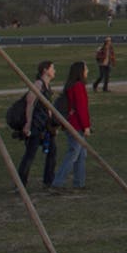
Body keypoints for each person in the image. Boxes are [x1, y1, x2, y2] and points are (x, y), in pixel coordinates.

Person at [17, 60, 58, 187]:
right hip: (37, 124)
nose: (54, 71)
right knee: (30, 154)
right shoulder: (38, 84)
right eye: (52, 68)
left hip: (46, 125)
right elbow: (30, 103)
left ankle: (48, 180)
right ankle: (21, 182)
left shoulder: (47, 85)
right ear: (45, 70)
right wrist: (28, 123)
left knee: (52, 151)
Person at [53, 60, 91, 189]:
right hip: (76, 125)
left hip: (72, 123)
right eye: (86, 69)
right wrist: (86, 126)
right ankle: (58, 182)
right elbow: (81, 108)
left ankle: (79, 182)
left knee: (81, 154)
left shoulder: (71, 85)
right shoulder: (78, 86)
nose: (87, 71)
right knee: (73, 154)